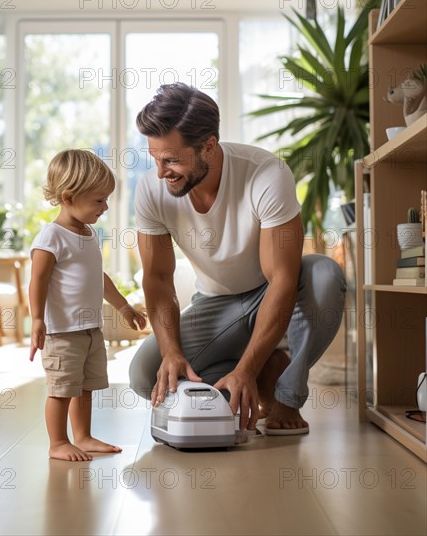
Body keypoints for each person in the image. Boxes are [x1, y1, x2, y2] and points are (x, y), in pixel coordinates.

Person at [129, 83, 346, 435]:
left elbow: (282, 278)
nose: (160, 172)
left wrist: (244, 369)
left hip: (270, 290)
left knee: (325, 273)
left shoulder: (266, 173)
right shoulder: (152, 191)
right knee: (145, 374)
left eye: (171, 160)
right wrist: (172, 352)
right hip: (215, 303)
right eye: (155, 158)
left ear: (209, 146)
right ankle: (263, 374)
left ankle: (286, 395)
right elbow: (156, 279)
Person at [29, 149, 147, 461]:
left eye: (106, 199)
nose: (105, 207)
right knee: (61, 388)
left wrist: (124, 307)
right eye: (99, 200)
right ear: (68, 197)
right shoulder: (51, 237)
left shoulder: (89, 233)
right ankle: (58, 443)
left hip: (90, 330)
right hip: (63, 333)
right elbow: (38, 280)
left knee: (85, 387)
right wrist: (37, 320)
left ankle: (82, 437)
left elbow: (99, 277)